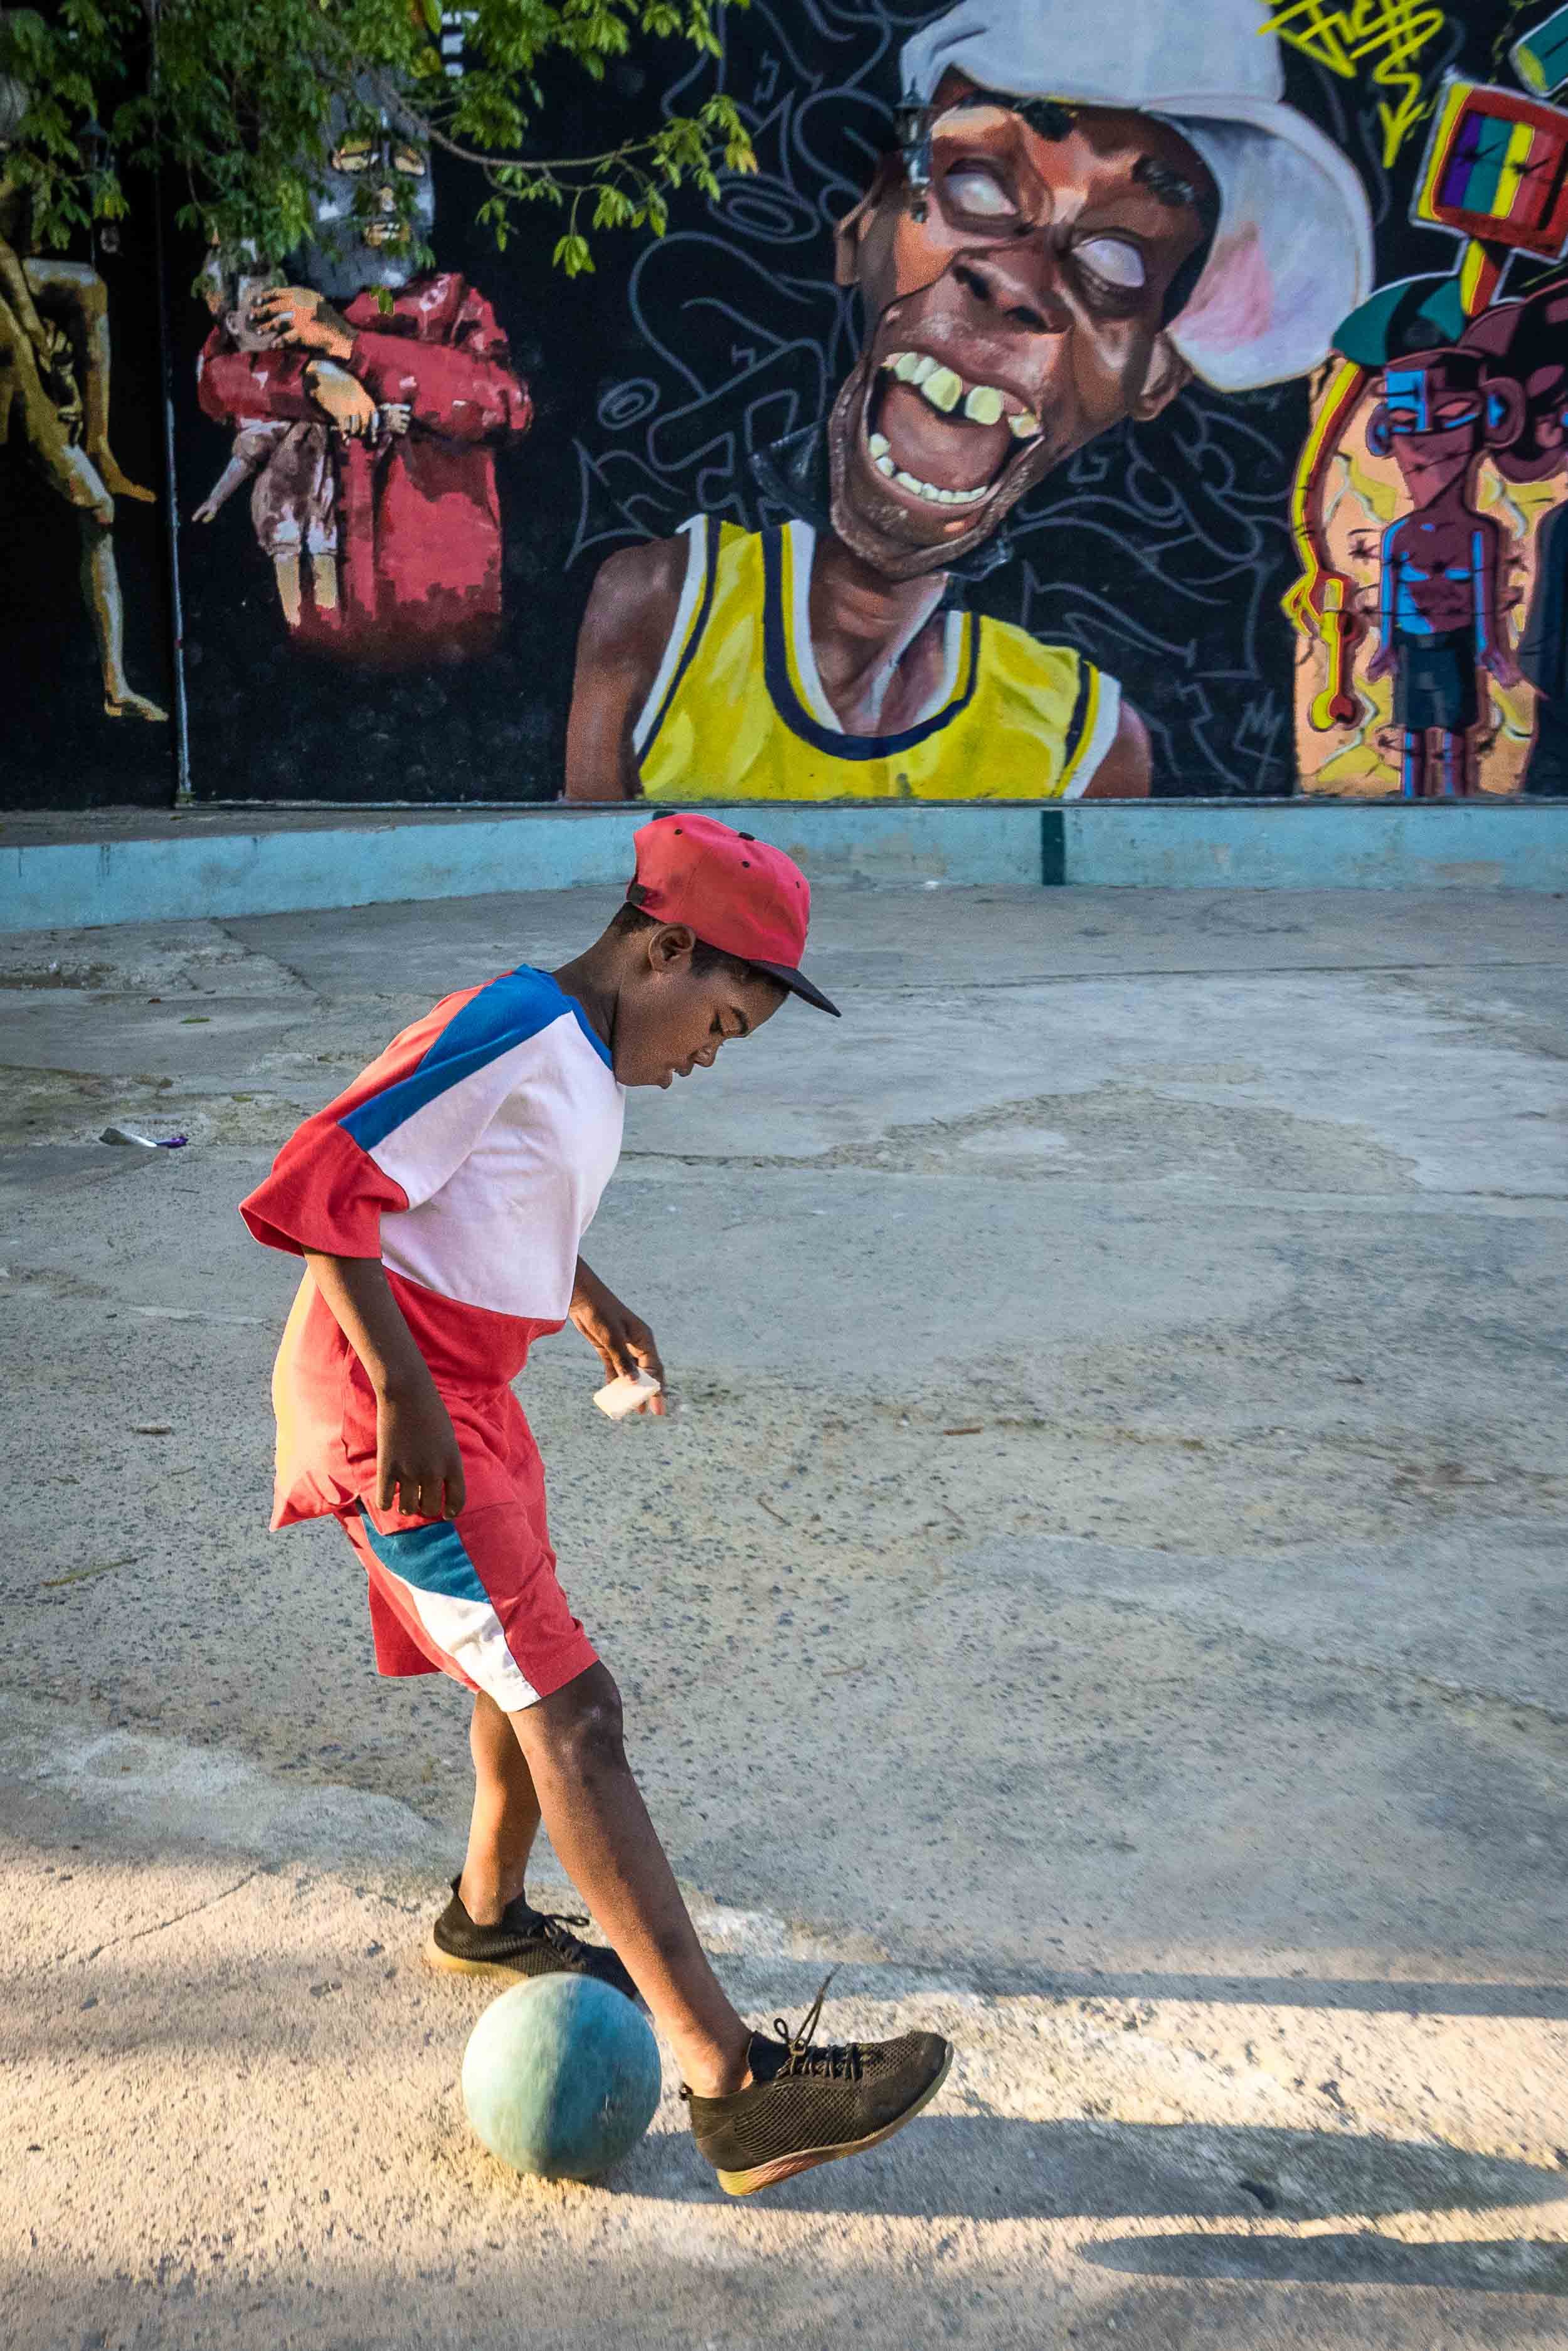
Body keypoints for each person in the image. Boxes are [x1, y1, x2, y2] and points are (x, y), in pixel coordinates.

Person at [240, 813, 952, 2197]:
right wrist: (402, 1388)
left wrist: (585, 1291)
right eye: (720, 1024)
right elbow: (322, 1179)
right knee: (575, 1711)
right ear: (663, 948)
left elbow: (480, 1190)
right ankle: (735, 2086)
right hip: (400, 1412)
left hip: (474, 1393)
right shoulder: (512, 1024)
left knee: (519, 1675)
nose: (708, 1056)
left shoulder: (577, 1054)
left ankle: (488, 1913)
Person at [565, 0, 1370, 804]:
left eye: (1117, 263)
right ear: (867, 219)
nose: (1017, 282)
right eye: (977, 183)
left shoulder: (1079, 743)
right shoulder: (663, 611)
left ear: (1154, 376)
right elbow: (586, 876)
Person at [196, 98, 531, 666]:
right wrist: (310, 380)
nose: (387, 198)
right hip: (308, 646)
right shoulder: (286, 299)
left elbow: (505, 404)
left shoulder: (453, 305)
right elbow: (219, 378)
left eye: (408, 169)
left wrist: (352, 347)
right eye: (355, 166)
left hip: (449, 633)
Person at [0, 68, 166, 722]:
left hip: (25, 335)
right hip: (15, 343)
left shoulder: (23, 170)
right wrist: (39, 344)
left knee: (99, 509)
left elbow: (22, 253)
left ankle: (115, 685)